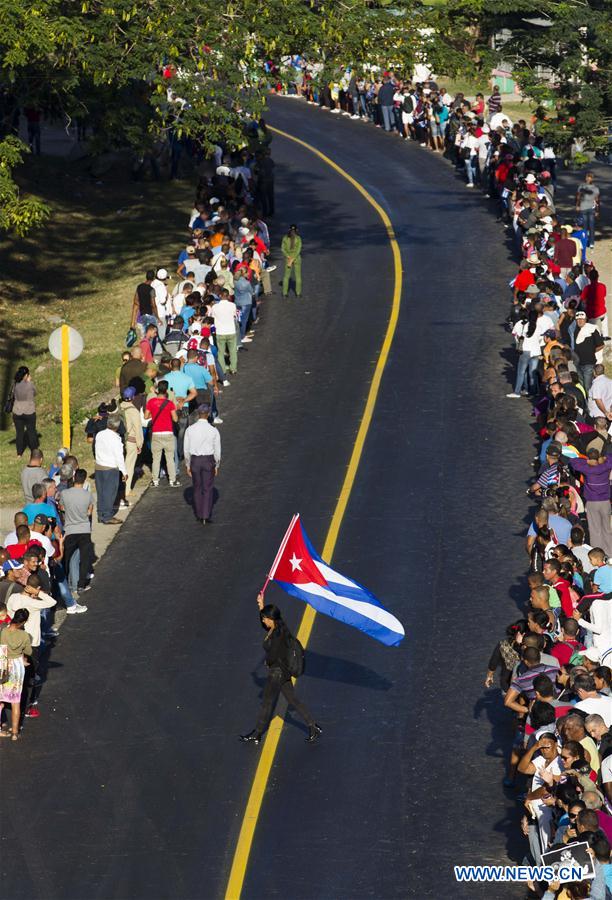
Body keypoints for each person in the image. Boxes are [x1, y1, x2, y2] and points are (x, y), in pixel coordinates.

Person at [240, 594, 321, 745]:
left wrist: (267, 662)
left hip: (276, 673)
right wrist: (261, 605)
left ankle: (257, 734)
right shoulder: (280, 628)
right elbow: (265, 625)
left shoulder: (276, 636)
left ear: (271, 619)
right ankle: (313, 726)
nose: (263, 621)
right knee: (292, 700)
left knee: (267, 703)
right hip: (283, 672)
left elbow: (273, 655)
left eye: (265, 618)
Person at [183, 404, 221, 524]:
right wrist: (217, 464)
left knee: (197, 487)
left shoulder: (190, 429)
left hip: (195, 460)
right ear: (208, 414)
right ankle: (205, 514)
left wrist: (188, 464)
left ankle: (199, 513)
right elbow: (217, 450)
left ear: (198, 414)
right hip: (208, 460)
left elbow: (186, 449)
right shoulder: (213, 430)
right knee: (208, 488)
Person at [60, 468, 94, 598]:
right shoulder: (88, 495)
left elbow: (62, 507)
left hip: (70, 529)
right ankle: (81, 585)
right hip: (84, 530)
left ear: (74, 478)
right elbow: (90, 512)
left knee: (68, 557)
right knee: (84, 558)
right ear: (84, 480)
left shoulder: (65, 493)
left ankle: (68, 583)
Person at [0, 609, 32, 740]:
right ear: (24, 621)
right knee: (15, 702)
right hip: (17, 666)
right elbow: (29, 651)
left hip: (3, 665)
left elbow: (2, 648)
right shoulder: (24, 635)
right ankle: (14, 732)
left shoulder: (3, 631)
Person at [144, 380, 179, 487]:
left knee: (156, 459)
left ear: (157, 389)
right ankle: (172, 480)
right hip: (168, 433)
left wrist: (153, 416)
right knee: (170, 458)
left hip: (156, 433)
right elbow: (175, 419)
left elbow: (146, 416)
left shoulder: (151, 402)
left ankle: (155, 481)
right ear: (166, 390)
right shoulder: (170, 403)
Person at [93, 414, 126, 524]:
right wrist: (124, 471)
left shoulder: (99, 434)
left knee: (101, 492)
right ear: (117, 425)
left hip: (99, 466)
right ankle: (107, 516)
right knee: (109, 493)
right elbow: (119, 456)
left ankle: (100, 513)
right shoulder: (116, 439)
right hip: (110, 467)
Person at [10, 366, 38, 458]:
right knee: (31, 432)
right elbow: (35, 393)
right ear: (26, 375)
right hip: (29, 411)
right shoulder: (30, 384)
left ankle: (19, 454)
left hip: (17, 411)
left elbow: (13, 394)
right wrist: (29, 381)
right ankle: (34, 452)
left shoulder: (15, 384)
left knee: (19, 433)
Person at [576, 171, 600, 249]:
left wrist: (597, 210)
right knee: (585, 226)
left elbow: (597, 200)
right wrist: (577, 205)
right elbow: (578, 197)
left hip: (591, 208)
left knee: (591, 226)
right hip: (584, 208)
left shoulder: (595, 188)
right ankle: (586, 241)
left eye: (590, 178)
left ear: (592, 179)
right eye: (588, 177)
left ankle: (591, 242)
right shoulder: (582, 187)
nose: (588, 179)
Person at [281, 224, 302, 298]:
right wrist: (293, 258)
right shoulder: (298, 238)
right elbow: (298, 250)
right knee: (298, 276)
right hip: (296, 258)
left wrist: (288, 257)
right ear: (297, 230)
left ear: (289, 230)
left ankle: (284, 293)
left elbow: (283, 249)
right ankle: (298, 293)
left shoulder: (285, 238)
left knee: (286, 276)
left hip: (288, 258)